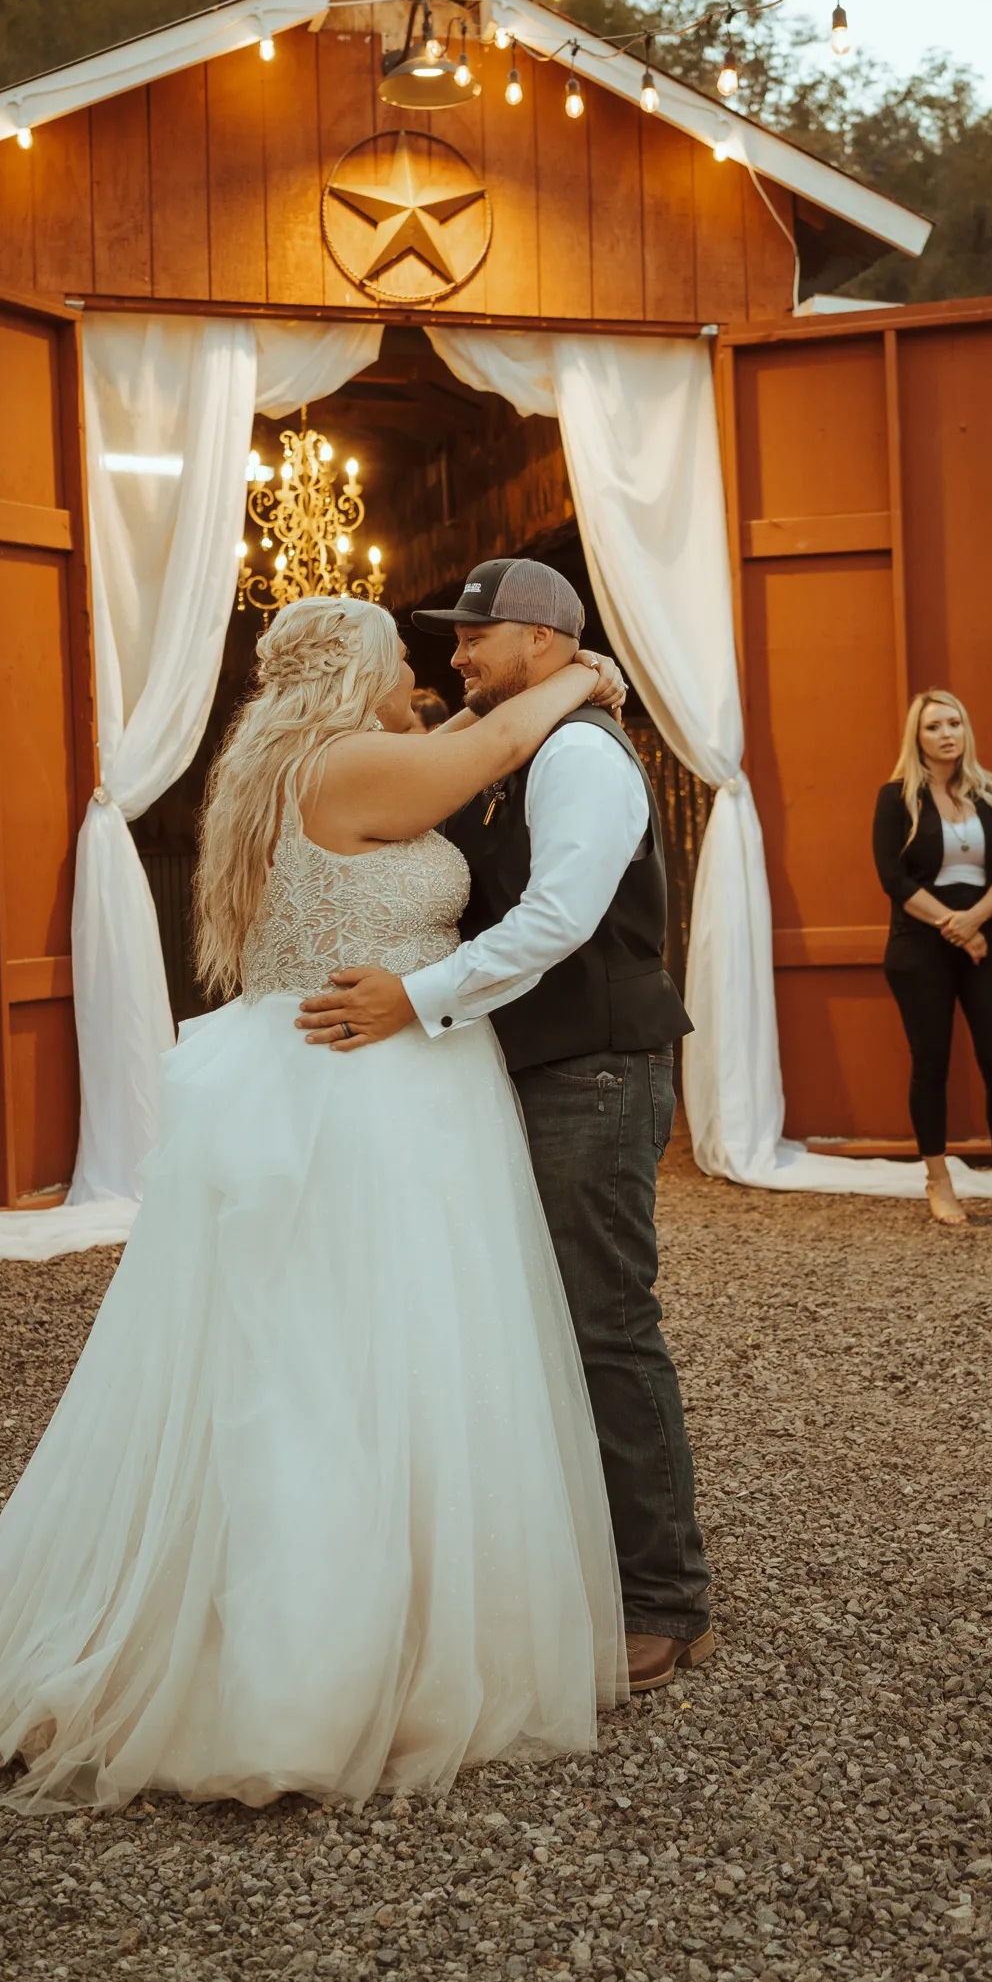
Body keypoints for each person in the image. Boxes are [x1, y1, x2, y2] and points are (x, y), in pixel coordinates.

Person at [0, 596, 631, 1812]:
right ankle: (303, 1680)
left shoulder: (278, 761)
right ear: (360, 679)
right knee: (344, 1368)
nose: (421, 677)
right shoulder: (348, 762)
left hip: (327, 1074)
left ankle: (341, 1634)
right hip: (360, 1091)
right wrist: (587, 674)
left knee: (314, 1357)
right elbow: (490, 751)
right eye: (403, 660)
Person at [296, 557, 712, 1695]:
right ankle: (583, 1571)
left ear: (538, 641)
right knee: (537, 1330)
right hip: (531, 1073)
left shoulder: (580, 755)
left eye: (473, 638)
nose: (454, 657)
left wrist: (414, 999)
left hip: (595, 1075)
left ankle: (667, 1599)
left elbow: (560, 919)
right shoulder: (525, 738)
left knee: (603, 1328)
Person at [872, 688, 992, 1227]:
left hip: (991, 938)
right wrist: (954, 927)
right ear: (916, 738)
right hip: (921, 945)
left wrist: (973, 923)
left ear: (967, 730)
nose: (946, 734)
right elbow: (894, 879)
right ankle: (938, 1181)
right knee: (931, 1064)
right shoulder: (896, 798)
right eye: (934, 726)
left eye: (954, 724)